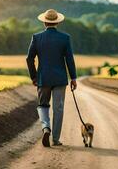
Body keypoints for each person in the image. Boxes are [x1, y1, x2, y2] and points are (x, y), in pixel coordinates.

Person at [26, 9, 77, 147]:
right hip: (60, 78)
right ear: (58, 22)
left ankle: (46, 128)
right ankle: (55, 139)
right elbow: (69, 60)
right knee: (58, 108)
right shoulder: (65, 38)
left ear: (44, 22)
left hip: (43, 78)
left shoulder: (36, 37)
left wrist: (34, 77)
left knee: (43, 105)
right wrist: (73, 78)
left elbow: (29, 58)